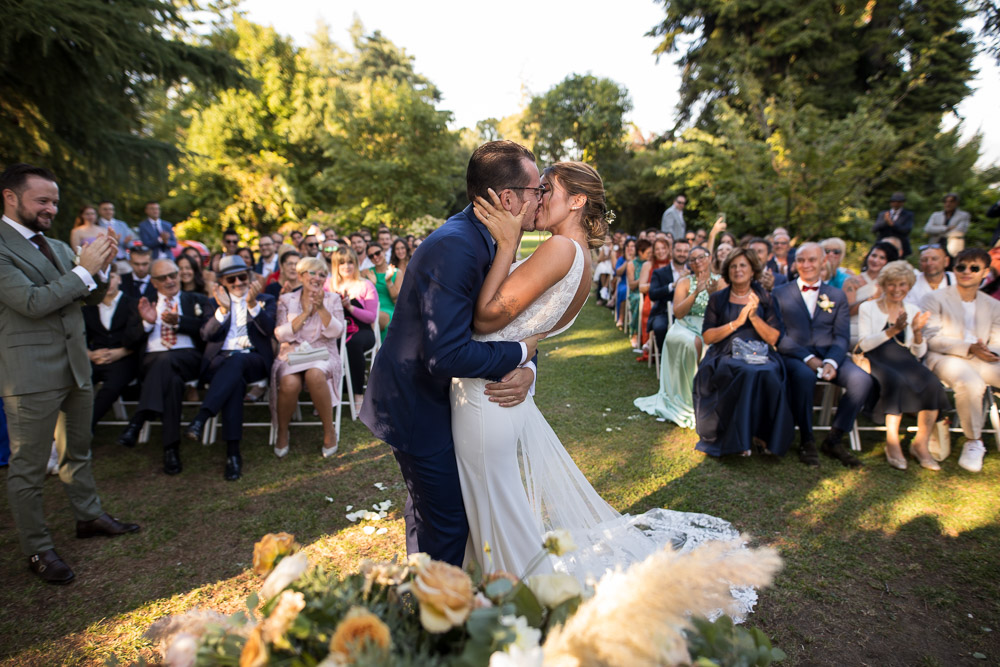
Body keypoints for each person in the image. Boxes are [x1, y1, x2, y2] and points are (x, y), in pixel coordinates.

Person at [450, 162, 750, 602]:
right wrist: (528, 360)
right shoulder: (581, 258)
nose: (536, 196)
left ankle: (522, 601)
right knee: (496, 510)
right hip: (505, 392)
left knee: (496, 513)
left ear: (576, 201)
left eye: (546, 189)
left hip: (488, 397)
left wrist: (508, 243)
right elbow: (531, 332)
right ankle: (493, 595)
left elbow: (485, 317)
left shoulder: (560, 249)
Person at [359, 141, 541, 567]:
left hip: (448, 398)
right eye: (537, 190)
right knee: (449, 522)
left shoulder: (495, 240)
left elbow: (509, 322)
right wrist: (520, 353)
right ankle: (436, 601)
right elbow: (445, 354)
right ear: (508, 198)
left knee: (431, 509)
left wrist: (528, 366)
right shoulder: (456, 246)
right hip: (417, 402)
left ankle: (422, 584)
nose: (541, 198)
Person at [0, 163, 139, 585]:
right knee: (28, 467)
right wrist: (83, 270)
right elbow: (33, 302)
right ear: (10, 197)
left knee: (78, 451)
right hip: (30, 374)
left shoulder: (58, 246)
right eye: (42, 200)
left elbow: (88, 296)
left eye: (55, 202)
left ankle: (88, 516)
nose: (52, 208)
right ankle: (38, 548)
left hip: (76, 365)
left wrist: (101, 268)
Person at [773, 243, 873, 467]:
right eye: (801, 260)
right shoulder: (780, 293)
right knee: (804, 377)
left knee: (862, 380)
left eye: (812, 260)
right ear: (795, 263)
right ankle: (806, 439)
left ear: (823, 262)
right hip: (795, 355)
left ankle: (834, 438)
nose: (806, 264)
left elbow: (841, 336)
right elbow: (779, 335)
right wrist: (808, 359)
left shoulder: (836, 295)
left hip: (830, 354)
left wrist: (831, 362)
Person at [183, 256, 276, 480]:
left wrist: (252, 305)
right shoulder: (213, 303)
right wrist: (223, 310)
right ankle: (233, 454)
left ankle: (202, 417)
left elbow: (270, 330)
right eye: (231, 279)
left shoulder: (266, 300)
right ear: (223, 282)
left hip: (253, 359)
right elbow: (206, 334)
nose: (238, 283)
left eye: (242, 277)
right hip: (220, 360)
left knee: (238, 361)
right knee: (234, 381)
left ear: (249, 276)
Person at [694, 247, 793, 457]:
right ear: (727, 271)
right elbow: (708, 337)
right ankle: (737, 440)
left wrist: (754, 317)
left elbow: (774, 338)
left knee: (767, 371)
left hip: (760, 353)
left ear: (752, 270)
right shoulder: (718, 299)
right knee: (743, 371)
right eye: (733, 266)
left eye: (742, 265)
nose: (737, 270)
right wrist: (737, 322)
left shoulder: (765, 298)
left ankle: (763, 435)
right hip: (725, 352)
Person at [116, 259, 207, 474]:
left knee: (166, 361)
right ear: (153, 282)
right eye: (162, 278)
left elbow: (207, 331)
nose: (169, 280)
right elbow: (128, 341)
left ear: (179, 275)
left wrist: (180, 322)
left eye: (172, 275)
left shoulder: (196, 300)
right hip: (152, 361)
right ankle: (170, 449)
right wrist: (147, 323)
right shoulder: (141, 304)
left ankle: (138, 420)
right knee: (172, 382)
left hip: (188, 357)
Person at [857, 261, 949, 470]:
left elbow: (918, 353)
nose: (897, 289)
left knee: (932, 383)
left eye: (902, 284)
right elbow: (863, 344)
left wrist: (916, 332)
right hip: (877, 357)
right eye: (892, 284)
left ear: (908, 286)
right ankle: (892, 443)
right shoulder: (868, 308)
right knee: (895, 381)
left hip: (905, 358)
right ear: (883, 285)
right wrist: (892, 330)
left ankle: (920, 444)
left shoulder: (912, 309)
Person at [921, 247, 1000, 473]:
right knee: (970, 382)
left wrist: (988, 351)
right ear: (953, 269)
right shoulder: (933, 299)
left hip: (983, 358)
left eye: (974, 268)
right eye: (961, 267)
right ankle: (974, 441)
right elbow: (931, 338)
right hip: (944, 357)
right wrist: (968, 348)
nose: (966, 272)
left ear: (985, 272)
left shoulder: (993, 305)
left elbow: (998, 339)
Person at [635, 246, 720, 428]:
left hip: (710, 324)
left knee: (709, 344)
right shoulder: (685, 282)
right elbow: (678, 313)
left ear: (709, 258)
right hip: (685, 325)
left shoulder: (721, 281)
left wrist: (713, 294)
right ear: (690, 264)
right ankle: (688, 397)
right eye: (693, 259)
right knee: (691, 343)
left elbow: (724, 311)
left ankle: (708, 397)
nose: (698, 262)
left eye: (701, 257)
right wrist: (696, 292)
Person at [271, 257, 345, 458]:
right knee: (289, 383)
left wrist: (321, 309)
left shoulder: (332, 299)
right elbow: (280, 334)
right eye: (312, 273)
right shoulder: (286, 299)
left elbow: (337, 331)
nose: (317, 278)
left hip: (323, 351)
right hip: (293, 353)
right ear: (301, 276)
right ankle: (282, 431)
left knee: (315, 374)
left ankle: (329, 430)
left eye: (322, 274)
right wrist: (305, 314)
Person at [82, 264, 144, 433]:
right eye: (102, 279)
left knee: (111, 388)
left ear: (119, 279)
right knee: (77, 384)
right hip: (95, 359)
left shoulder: (134, 304)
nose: (107, 283)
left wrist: (122, 351)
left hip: (125, 358)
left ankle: (85, 429)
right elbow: (81, 337)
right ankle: (67, 428)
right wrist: (90, 354)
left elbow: (140, 336)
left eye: (111, 277)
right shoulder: (88, 308)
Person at [325, 247, 378, 413]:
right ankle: (327, 396)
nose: (346, 266)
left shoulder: (366, 285)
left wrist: (350, 307)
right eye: (342, 263)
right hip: (335, 330)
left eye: (350, 262)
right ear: (336, 265)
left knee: (353, 345)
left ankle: (357, 394)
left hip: (362, 331)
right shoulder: (328, 285)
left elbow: (371, 317)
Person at [844, 241, 898, 344]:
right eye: (873, 255)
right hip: (855, 330)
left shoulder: (892, 285)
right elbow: (847, 311)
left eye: (882, 258)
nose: (876, 260)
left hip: (881, 331)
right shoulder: (852, 281)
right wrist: (873, 298)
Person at [646, 238, 691, 351]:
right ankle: (665, 358)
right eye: (679, 250)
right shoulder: (660, 272)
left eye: (685, 251)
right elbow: (653, 294)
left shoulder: (693, 272)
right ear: (672, 251)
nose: (682, 254)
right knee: (660, 328)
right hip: (664, 312)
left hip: (689, 313)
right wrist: (673, 285)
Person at [361, 243, 399, 339]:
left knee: (375, 317)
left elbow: (396, 299)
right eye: (371, 256)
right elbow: (360, 295)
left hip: (388, 308)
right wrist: (372, 284)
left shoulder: (396, 272)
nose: (375, 257)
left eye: (377, 253)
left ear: (383, 252)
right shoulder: (365, 273)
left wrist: (388, 281)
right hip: (369, 307)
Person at [626, 239, 651, 348]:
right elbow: (631, 285)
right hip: (636, 293)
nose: (650, 255)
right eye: (648, 253)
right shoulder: (632, 264)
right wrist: (642, 279)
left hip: (649, 292)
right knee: (638, 300)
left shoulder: (651, 263)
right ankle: (635, 333)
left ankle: (648, 337)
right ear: (640, 252)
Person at [873, 192, 915, 257]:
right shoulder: (883, 214)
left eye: (898, 202)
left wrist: (892, 224)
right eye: (894, 201)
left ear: (902, 203)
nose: (896, 204)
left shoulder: (908, 215)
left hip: (900, 247)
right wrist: (885, 222)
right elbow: (874, 229)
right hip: (883, 244)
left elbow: (906, 230)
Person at [613, 237, 636, 329]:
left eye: (632, 246)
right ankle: (621, 318)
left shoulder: (638, 260)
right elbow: (618, 272)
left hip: (634, 284)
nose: (630, 248)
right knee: (624, 291)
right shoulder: (621, 259)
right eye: (628, 246)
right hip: (624, 283)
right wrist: (627, 261)